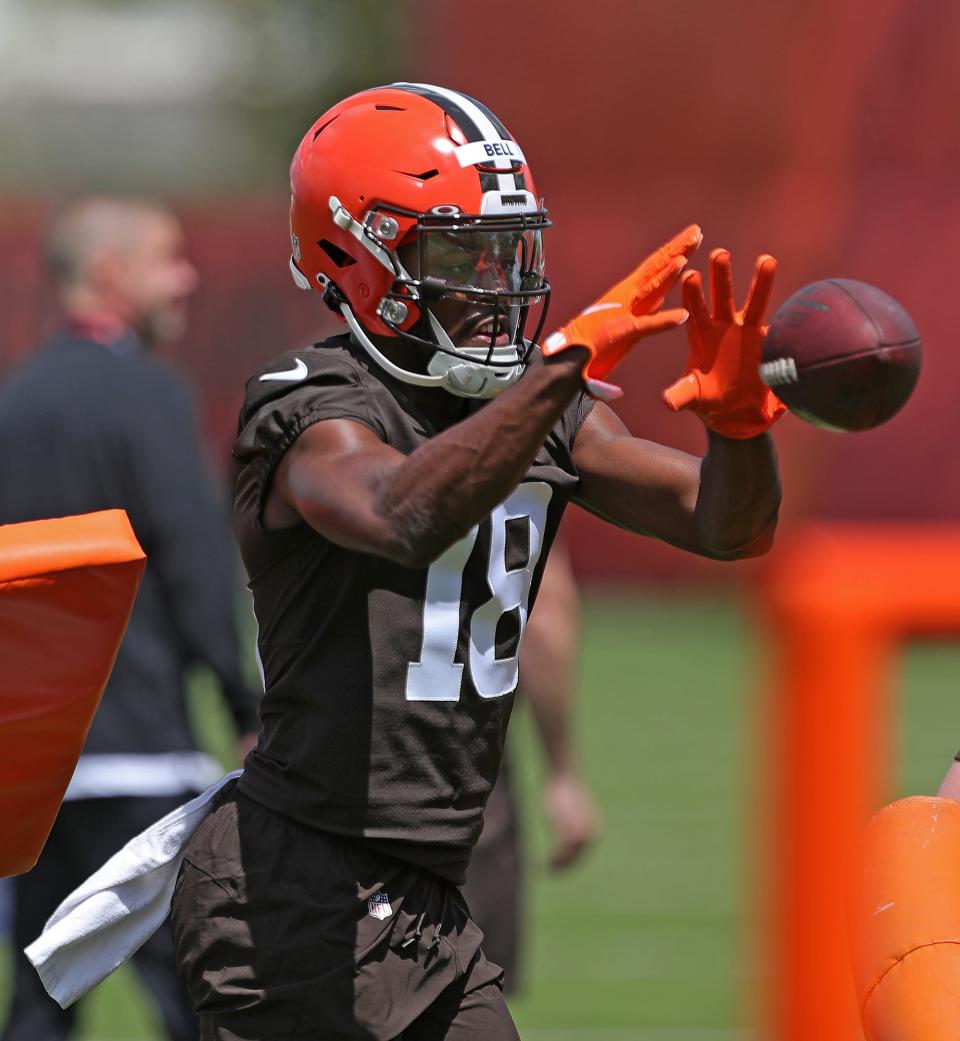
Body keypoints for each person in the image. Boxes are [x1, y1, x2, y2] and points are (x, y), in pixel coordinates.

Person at [169, 82, 784, 1041]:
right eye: (461, 254)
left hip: (428, 897)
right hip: (293, 887)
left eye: (509, 253)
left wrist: (743, 428)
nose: (496, 285)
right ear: (355, 259)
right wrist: (558, 372)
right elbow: (398, 509)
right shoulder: (313, 404)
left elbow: (726, 526)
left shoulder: (546, 410)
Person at [0, 197, 260, 1041]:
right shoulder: (147, 393)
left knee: (42, 996)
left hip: (33, 766)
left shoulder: (16, 399)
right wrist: (245, 704)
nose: (184, 277)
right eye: (166, 258)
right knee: (198, 997)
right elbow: (193, 558)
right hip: (142, 753)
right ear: (111, 275)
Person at [462, 545, 598, 994]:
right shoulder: (508, 474)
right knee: (464, 999)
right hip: (465, 771)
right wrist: (562, 771)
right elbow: (542, 612)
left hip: (335, 765)